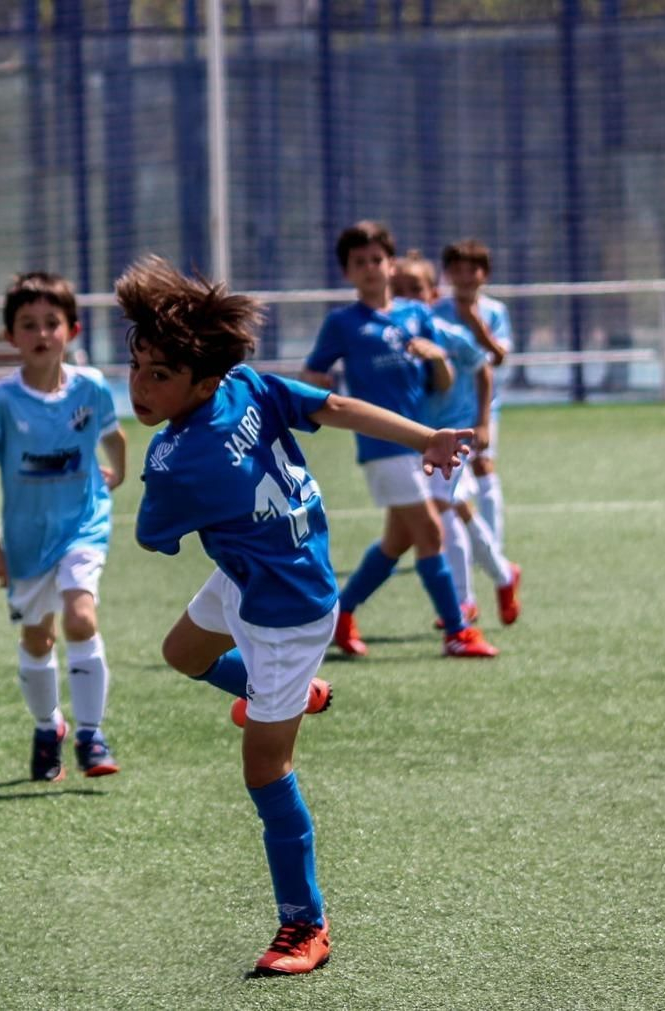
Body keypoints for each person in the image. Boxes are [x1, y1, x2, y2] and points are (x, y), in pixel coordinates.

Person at [117, 254, 473, 977]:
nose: (140, 386)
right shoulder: (248, 385)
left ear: (203, 379)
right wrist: (425, 437)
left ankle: (304, 924)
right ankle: (280, 693)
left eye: (159, 374)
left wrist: (123, 471)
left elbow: (155, 538)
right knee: (181, 651)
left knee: (264, 765)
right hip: (258, 571)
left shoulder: (178, 460)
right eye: (138, 366)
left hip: (288, 612)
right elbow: (331, 408)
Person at [300, 221, 498, 659]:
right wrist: (323, 388)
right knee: (431, 533)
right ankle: (458, 631)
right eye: (359, 262)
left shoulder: (416, 315)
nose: (370, 268)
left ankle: (342, 614)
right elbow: (312, 377)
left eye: (376, 259)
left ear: (391, 265)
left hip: (419, 442)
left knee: (399, 541)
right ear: (347, 272)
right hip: (380, 445)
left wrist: (438, 357)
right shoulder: (342, 324)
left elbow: (442, 383)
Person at [0, 271, 127, 782]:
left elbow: (113, 437)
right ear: (11, 336)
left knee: (80, 618)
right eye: (28, 325)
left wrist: (116, 472)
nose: (41, 334)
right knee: (38, 639)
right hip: (27, 538)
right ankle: (46, 725)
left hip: (83, 523)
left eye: (51, 323)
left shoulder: (92, 389)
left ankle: (91, 735)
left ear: (72, 330)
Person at [393, 253, 521, 627]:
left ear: (432, 293)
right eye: (398, 290)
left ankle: (463, 602)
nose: (407, 297)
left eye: (415, 289)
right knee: (458, 511)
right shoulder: (391, 332)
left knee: (444, 511)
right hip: (417, 435)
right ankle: (503, 574)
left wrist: (482, 422)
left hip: (452, 434)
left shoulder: (444, 329)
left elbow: (484, 369)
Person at [435, 238, 514, 550]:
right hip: (446, 408)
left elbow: (499, 357)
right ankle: (450, 541)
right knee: (448, 475)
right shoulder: (436, 311)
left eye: (474, 270)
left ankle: (492, 546)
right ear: (448, 274)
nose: (466, 277)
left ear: (486, 274)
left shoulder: (495, 312)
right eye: (459, 270)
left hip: (484, 407)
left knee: (483, 466)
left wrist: (477, 325)